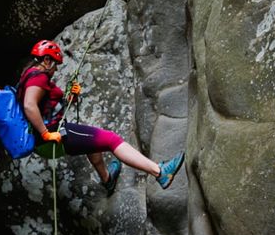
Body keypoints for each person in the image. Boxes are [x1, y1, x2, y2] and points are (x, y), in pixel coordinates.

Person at [20, 39, 185, 195]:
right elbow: (29, 105)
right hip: (53, 137)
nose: (56, 70)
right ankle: (159, 172)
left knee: (92, 142)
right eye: (55, 65)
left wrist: (69, 98)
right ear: (47, 60)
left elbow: (45, 106)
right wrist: (45, 133)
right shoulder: (39, 77)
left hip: (46, 139)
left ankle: (107, 180)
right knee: (111, 140)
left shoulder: (28, 76)